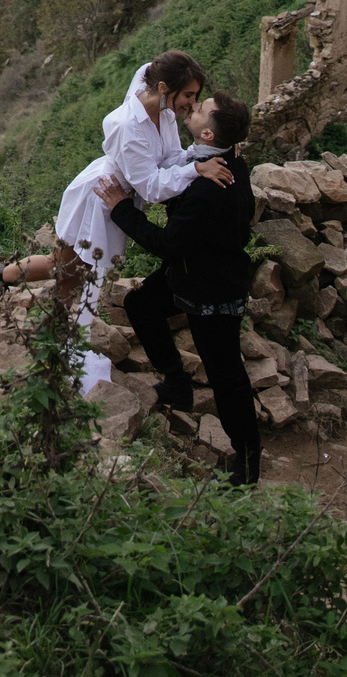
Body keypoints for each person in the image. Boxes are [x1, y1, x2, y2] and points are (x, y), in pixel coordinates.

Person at [0, 51, 228, 391]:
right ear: (163, 88)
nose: (192, 103)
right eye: (188, 95)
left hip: (114, 200)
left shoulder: (164, 111)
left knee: (64, 266)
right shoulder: (127, 126)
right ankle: (52, 348)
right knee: (74, 277)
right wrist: (196, 168)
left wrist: (198, 156)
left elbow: (169, 156)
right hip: (100, 199)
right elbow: (151, 186)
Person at [95, 90, 261, 485]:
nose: (193, 107)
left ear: (207, 135)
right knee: (141, 305)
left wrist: (120, 208)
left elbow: (168, 242)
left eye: (201, 109)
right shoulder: (221, 159)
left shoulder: (210, 188)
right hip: (190, 272)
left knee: (226, 375)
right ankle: (176, 383)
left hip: (212, 291)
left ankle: (249, 460)